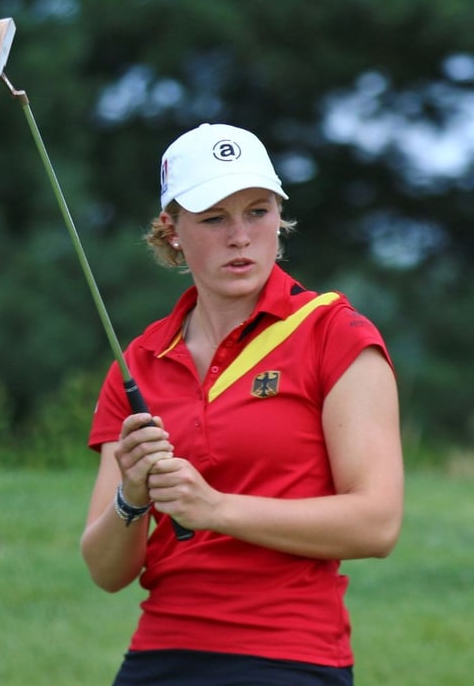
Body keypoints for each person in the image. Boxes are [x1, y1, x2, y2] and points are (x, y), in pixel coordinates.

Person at [80, 123, 404, 685]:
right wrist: (132, 496)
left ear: (280, 217)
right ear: (171, 229)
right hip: (161, 654)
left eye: (257, 211)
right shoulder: (139, 361)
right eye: (213, 218)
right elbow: (107, 571)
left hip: (291, 656)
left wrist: (214, 509)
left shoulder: (336, 333)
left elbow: (376, 524)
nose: (240, 236)